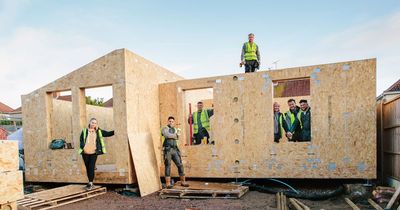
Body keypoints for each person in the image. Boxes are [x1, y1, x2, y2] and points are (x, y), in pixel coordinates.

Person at [78, 118, 114, 190]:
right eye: (92, 122)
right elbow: (81, 140)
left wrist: (117, 130)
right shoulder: (84, 131)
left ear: (96, 124)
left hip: (94, 153)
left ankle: (91, 183)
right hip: (85, 153)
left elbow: (108, 133)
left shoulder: (99, 131)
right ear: (89, 123)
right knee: (88, 167)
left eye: (95, 123)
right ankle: (89, 182)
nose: (93, 124)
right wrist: (83, 147)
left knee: (91, 167)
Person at [161, 116, 189, 188]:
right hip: (168, 150)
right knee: (168, 165)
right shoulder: (164, 128)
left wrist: (176, 136)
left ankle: (183, 181)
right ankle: (168, 183)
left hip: (175, 150)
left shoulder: (175, 129)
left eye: (172, 121)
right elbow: (167, 135)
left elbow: (178, 137)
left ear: (174, 122)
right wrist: (175, 135)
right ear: (168, 121)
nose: (171, 122)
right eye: (170, 121)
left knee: (180, 165)